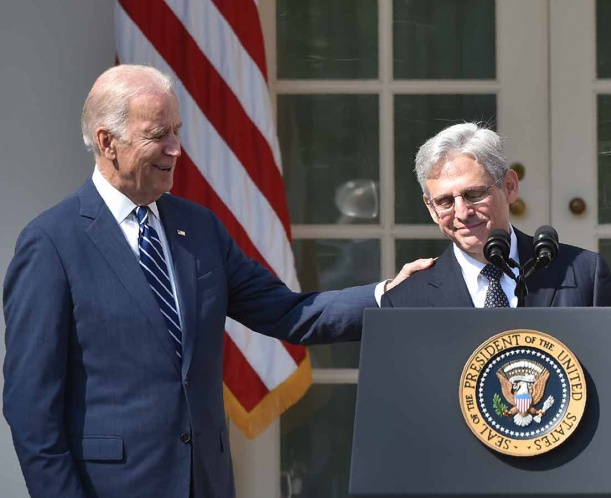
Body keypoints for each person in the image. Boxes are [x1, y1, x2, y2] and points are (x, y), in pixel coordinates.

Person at [2, 64, 431, 498]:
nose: (176, 149)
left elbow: (289, 312)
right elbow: (30, 407)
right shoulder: (52, 244)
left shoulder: (199, 228)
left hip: (207, 482)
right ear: (106, 142)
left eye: (177, 131)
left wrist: (387, 296)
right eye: (158, 135)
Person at [382, 122, 611, 308]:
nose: (462, 213)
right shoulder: (406, 299)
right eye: (445, 201)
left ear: (509, 186)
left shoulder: (583, 273)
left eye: (474, 194)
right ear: (431, 208)